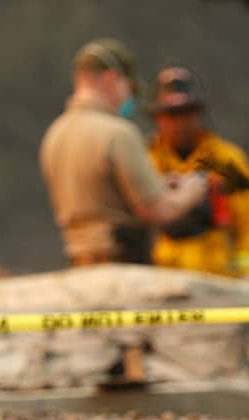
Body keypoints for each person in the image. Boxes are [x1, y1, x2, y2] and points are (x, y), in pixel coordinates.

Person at [40, 40, 208, 267]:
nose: (129, 98)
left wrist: (158, 185)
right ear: (112, 78)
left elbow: (103, 197)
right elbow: (156, 210)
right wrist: (192, 190)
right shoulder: (118, 133)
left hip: (78, 262)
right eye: (130, 88)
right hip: (120, 262)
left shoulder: (55, 133)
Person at [145, 66, 249, 282]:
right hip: (161, 281)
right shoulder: (145, 161)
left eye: (186, 114)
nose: (179, 123)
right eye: (171, 115)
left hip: (217, 279)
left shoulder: (227, 159)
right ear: (157, 118)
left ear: (198, 114)